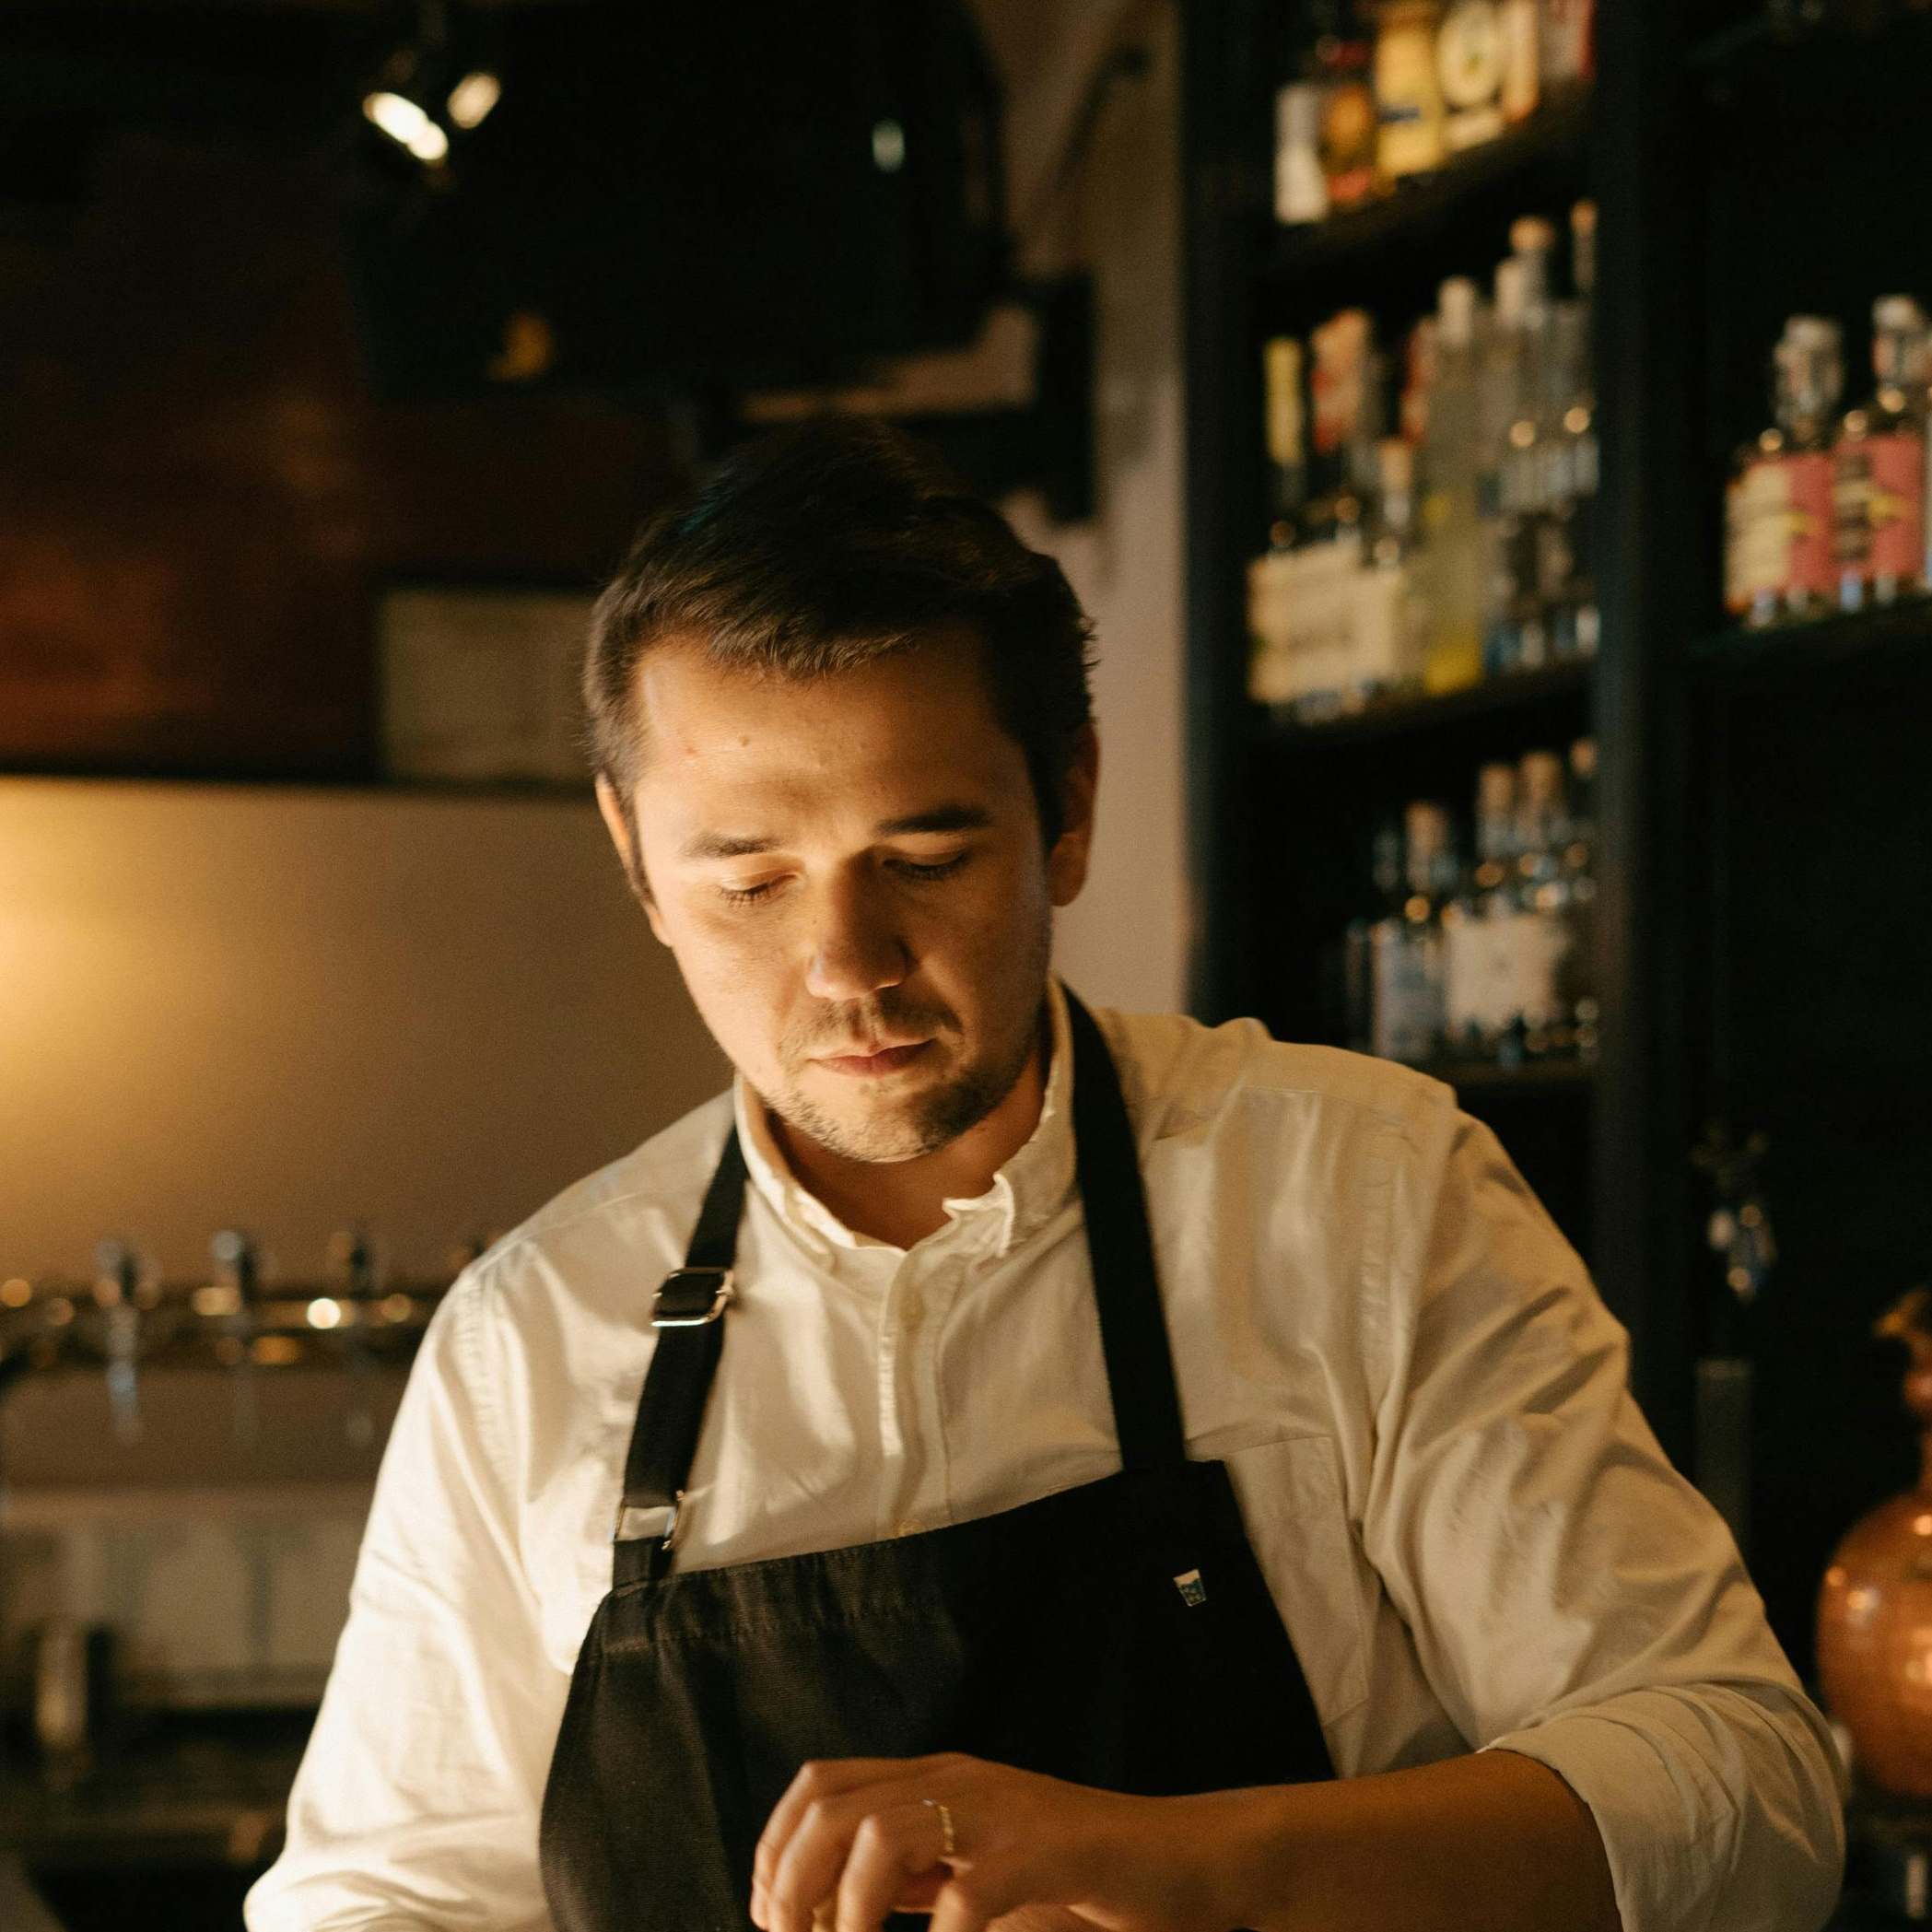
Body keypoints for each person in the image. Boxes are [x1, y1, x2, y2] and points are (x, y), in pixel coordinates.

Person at [247, 416, 1844, 1932]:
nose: (845, 965)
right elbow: (373, 1896)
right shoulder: (530, 1337)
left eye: (925, 859)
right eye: (745, 879)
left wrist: (1190, 1861)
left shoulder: (1356, 1191)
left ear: (1066, 808)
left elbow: (1746, 1796)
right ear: (633, 863)